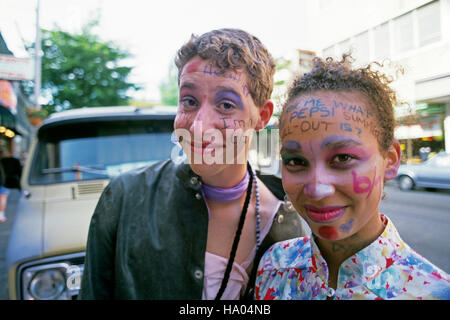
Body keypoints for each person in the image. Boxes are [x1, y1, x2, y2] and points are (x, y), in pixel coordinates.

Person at [79, 28, 306, 300]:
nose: (199, 126)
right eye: (189, 101)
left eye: (225, 105)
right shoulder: (124, 199)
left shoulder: (290, 226)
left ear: (263, 116)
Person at [254, 55, 450, 300]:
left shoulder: (436, 292)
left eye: (343, 158)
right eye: (296, 161)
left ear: (390, 159)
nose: (316, 189)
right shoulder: (274, 268)